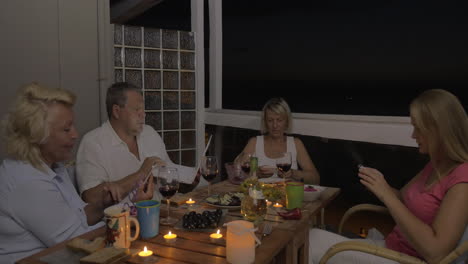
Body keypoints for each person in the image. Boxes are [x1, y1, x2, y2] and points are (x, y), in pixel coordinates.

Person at [309, 89, 468, 264]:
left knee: (310, 246)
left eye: (418, 128)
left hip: (405, 260)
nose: (413, 135)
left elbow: (436, 252)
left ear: (438, 131)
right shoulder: (434, 165)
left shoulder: (462, 179)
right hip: (391, 248)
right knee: (310, 237)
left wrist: (385, 193)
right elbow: (402, 198)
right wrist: (378, 183)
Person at [0, 83, 153, 264]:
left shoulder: (53, 166)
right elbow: (78, 242)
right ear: (36, 135)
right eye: (66, 129)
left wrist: (111, 203)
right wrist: (127, 208)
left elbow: (79, 218)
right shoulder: (26, 180)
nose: (75, 134)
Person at [76, 82, 200, 206]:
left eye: (143, 109)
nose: (143, 114)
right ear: (117, 111)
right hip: (124, 222)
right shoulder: (93, 143)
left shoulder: (149, 133)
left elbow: (169, 181)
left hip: (163, 213)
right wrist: (141, 174)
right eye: (137, 109)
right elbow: (90, 199)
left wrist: (188, 182)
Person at [236, 97, 320, 184]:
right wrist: (256, 174)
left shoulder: (296, 143)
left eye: (279, 120)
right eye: (270, 120)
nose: (275, 125)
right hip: (260, 195)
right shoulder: (254, 142)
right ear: (265, 122)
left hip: (289, 196)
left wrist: (293, 173)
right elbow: (237, 173)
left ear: (286, 121)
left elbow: (316, 179)